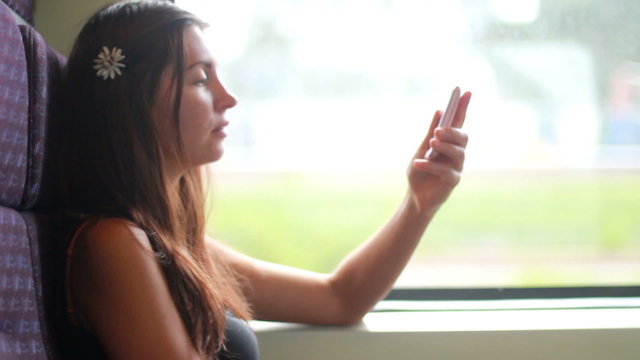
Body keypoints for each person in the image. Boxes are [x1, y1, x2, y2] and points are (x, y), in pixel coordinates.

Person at [55, 0, 472, 359]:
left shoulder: (173, 244)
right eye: (200, 78)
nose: (228, 97)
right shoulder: (113, 244)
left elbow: (340, 299)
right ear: (135, 102)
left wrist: (420, 204)